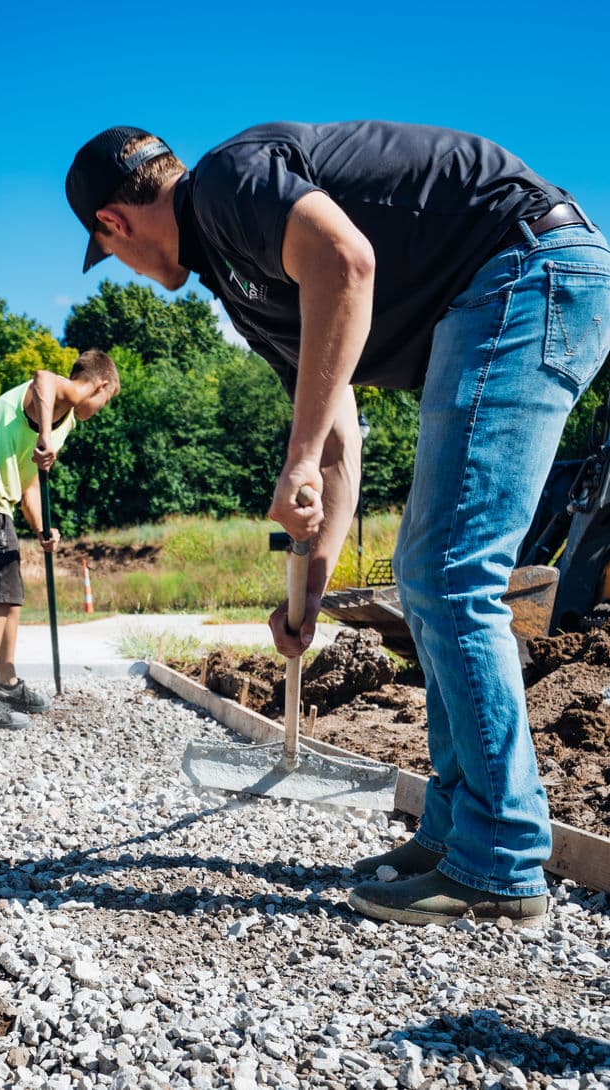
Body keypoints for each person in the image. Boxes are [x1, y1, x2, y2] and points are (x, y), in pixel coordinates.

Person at [65, 123, 610, 925]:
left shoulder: (228, 184)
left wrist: (294, 461)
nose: (129, 270)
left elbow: (348, 263)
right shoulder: (241, 283)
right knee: (428, 572)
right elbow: (340, 440)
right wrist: (308, 594)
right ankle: (456, 827)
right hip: (498, 293)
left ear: (112, 222)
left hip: (526, 269)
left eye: (111, 252)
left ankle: (499, 855)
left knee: (452, 572)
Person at [0, 350, 120, 729]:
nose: (103, 408)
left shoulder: (64, 420)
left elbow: (29, 487)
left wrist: (43, 530)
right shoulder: (57, 396)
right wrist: (44, 435)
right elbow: (43, 376)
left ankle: (7, 685)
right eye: (108, 399)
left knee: (11, 596)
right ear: (101, 385)